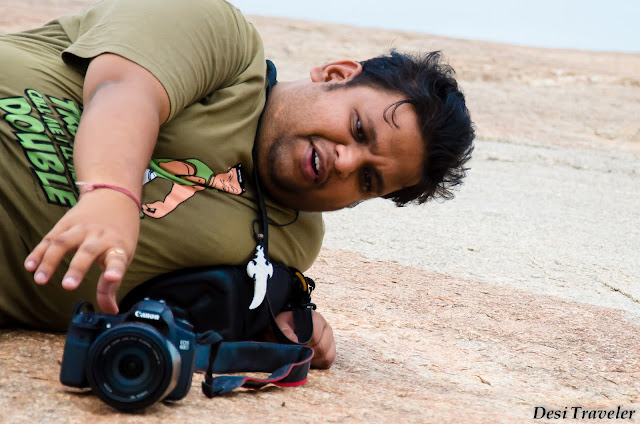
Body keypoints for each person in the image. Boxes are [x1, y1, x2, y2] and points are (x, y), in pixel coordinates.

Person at [0, 0, 474, 369]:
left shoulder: (287, 247)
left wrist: (274, 324)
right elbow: (124, 90)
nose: (346, 162)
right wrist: (110, 193)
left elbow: (187, 310)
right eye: (359, 129)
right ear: (336, 74)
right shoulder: (220, 36)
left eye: (369, 180)